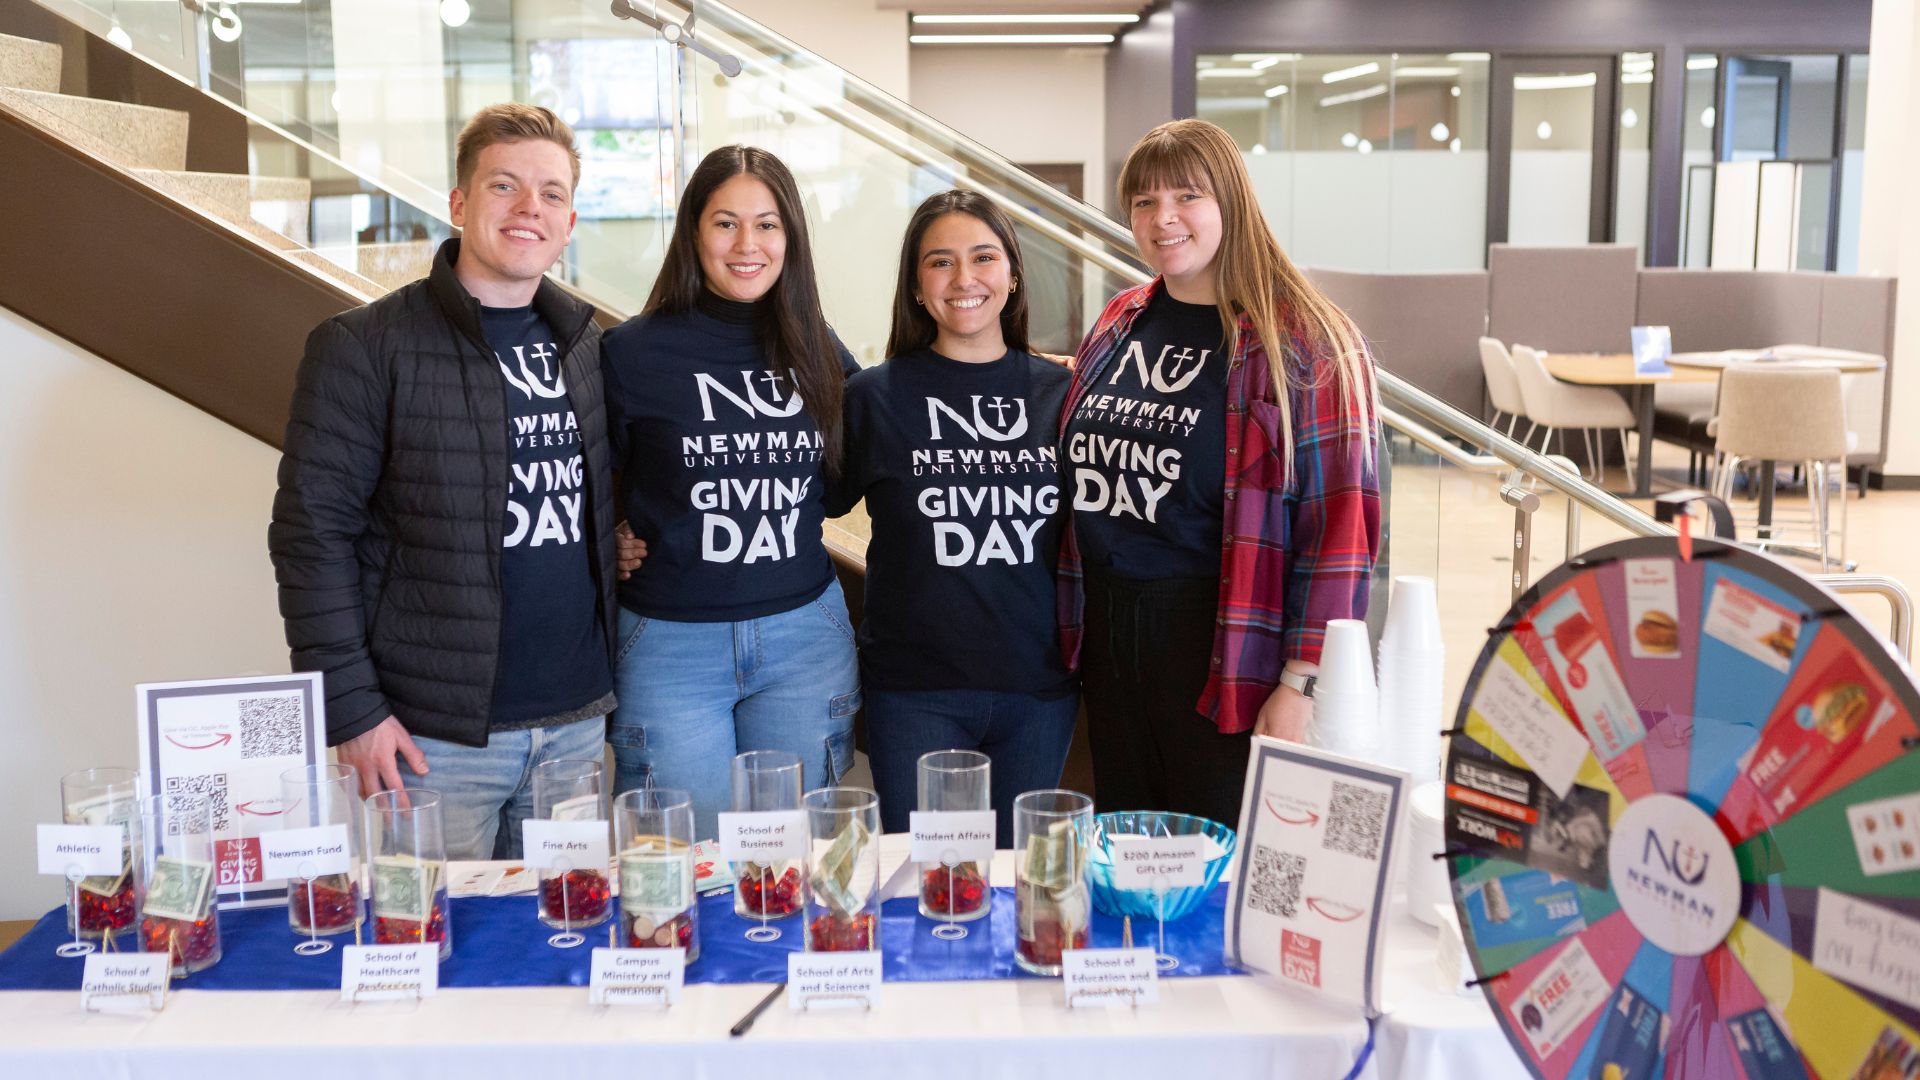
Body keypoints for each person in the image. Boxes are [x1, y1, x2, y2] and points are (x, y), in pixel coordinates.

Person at [270, 103, 640, 861]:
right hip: (434, 742)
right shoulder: (364, 346)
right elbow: (311, 536)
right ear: (460, 204)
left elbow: (591, 489)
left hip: (574, 725)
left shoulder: (586, 344)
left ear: (569, 223)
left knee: (560, 943)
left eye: (552, 193)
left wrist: (618, 538)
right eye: (504, 186)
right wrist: (352, 712)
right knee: (435, 957)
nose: (529, 207)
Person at [1058, 118, 1381, 826]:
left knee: (1216, 863)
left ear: (1231, 202)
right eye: (1143, 202)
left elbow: (1341, 532)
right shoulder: (1120, 320)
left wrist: (1302, 682)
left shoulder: (1307, 344)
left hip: (1229, 642)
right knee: (1127, 848)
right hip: (1109, 636)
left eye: (1185, 197)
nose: (1161, 218)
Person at [601, 146, 859, 841]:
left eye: (768, 225)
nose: (748, 245)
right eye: (726, 224)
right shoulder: (629, 353)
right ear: (693, 233)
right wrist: (608, 538)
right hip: (670, 648)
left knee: (796, 863)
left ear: (791, 238)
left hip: (805, 637)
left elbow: (839, 486)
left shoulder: (819, 348)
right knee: (683, 864)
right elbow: (584, 478)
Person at [830, 190, 1075, 841]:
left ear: (1013, 273)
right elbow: (806, 505)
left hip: (1040, 688)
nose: (964, 279)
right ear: (916, 284)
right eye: (940, 262)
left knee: (1019, 889)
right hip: (914, 692)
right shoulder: (873, 399)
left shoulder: (1063, 395)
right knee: (923, 887)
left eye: (983, 257)